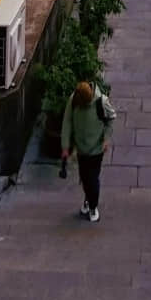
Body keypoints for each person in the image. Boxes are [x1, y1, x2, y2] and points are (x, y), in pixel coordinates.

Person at [61, 79, 116, 223]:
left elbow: (111, 118)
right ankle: (88, 200)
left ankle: (93, 206)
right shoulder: (74, 100)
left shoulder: (101, 102)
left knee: (92, 179)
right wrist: (65, 146)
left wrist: (106, 139)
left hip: (96, 150)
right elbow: (67, 122)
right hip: (81, 149)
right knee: (85, 178)